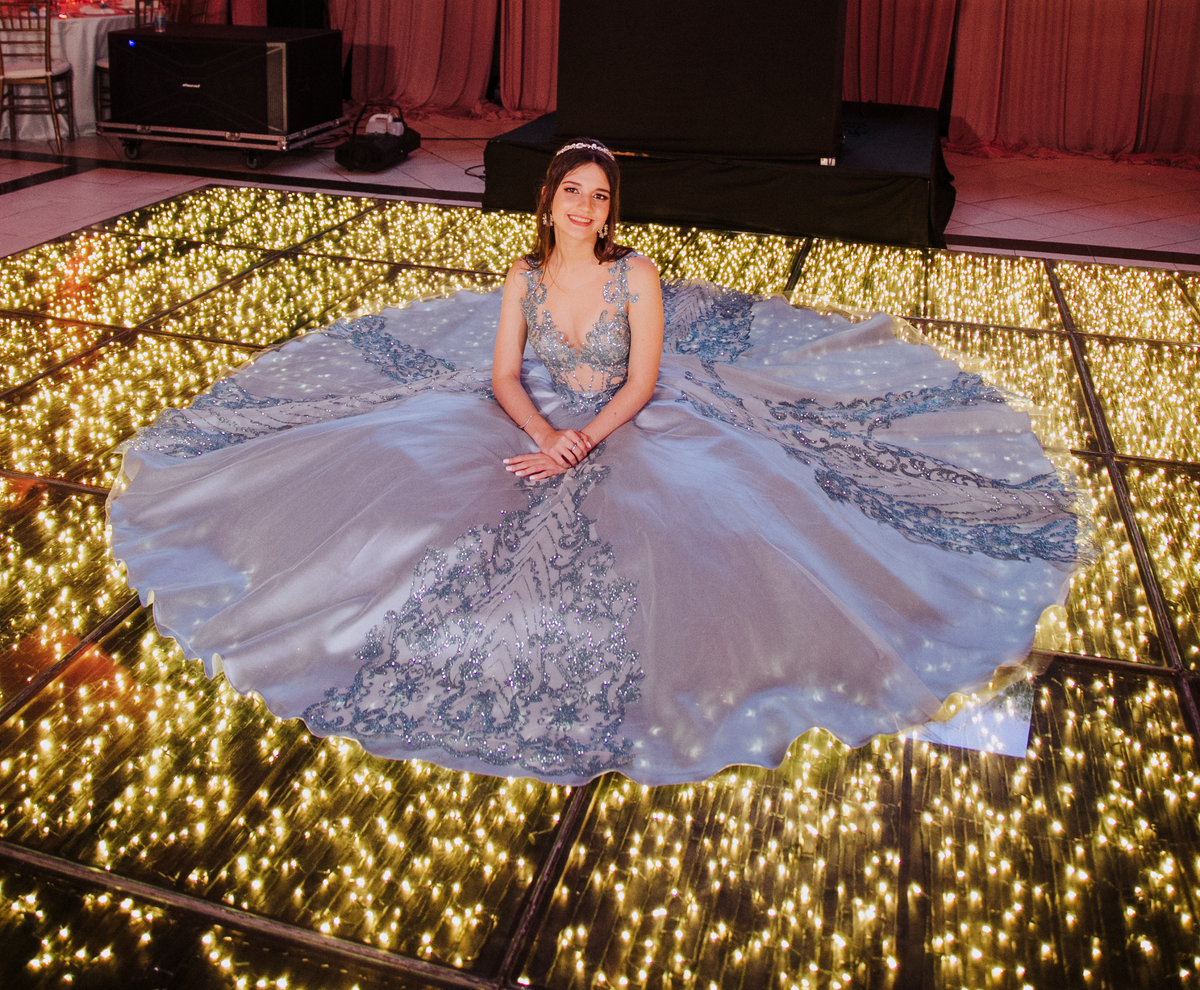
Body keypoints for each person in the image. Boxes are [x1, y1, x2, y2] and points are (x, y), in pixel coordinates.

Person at [108, 141, 1086, 787]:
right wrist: (542, 433)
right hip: (538, 413)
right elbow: (501, 374)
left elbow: (645, 379)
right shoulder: (522, 276)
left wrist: (582, 440)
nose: (586, 207)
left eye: (601, 196)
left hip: (631, 414)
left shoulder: (637, 274)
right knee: (388, 480)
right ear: (549, 201)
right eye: (573, 192)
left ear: (612, 208)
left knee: (724, 520)